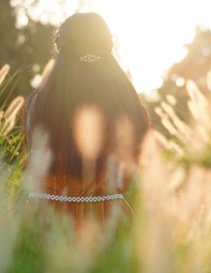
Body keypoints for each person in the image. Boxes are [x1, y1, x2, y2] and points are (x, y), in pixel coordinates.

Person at [23, 12, 150, 231]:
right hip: (109, 224)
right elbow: (133, 170)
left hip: (46, 225)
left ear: (61, 50)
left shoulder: (37, 106)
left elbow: (35, 165)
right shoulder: (131, 107)